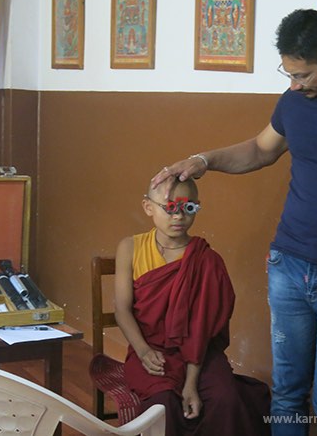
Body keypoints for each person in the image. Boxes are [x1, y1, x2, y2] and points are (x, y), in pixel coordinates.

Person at [151, 9, 317, 436]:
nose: (293, 85)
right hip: (287, 266)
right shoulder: (295, 100)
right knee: (287, 393)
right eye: (288, 73)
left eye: (302, 75)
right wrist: (204, 161)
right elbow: (261, 150)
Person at [114, 176, 270, 436]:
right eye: (170, 207)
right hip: (151, 349)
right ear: (148, 207)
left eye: (188, 208)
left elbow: (201, 331)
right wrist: (142, 351)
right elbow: (122, 309)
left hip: (200, 354)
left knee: (226, 399)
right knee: (163, 404)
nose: (178, 217)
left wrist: (191, 383)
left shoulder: (206, 260)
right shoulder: (131, 248)